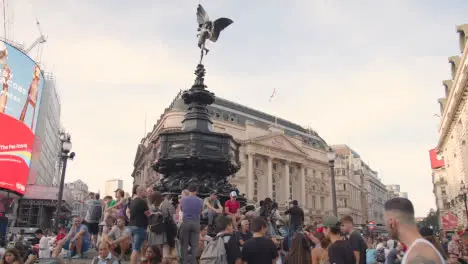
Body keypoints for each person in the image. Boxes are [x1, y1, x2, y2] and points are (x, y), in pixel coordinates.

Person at [383, 197, 444, 264]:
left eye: (385, 222)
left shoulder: (416, 255)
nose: (386, 228)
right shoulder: (420, 249)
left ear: (392, 223)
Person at [180, 184, 203, 264]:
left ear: (189, 190)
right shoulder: (200, 200)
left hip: (186, 222)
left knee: (185, 244)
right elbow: (200, 212)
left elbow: (182, 210)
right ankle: (193, 262)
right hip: (196, 222)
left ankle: (185, 262)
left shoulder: (183, 199)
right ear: (196, 191)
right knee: (194, 245)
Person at [128, 186, 149, 264]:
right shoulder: (142, 202)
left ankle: (142, 259)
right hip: (140, 227)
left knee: (138, 246)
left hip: (132, 227)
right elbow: (148, 214)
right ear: (140, 192)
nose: (146, 193)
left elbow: (129, 213)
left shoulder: (132, 201)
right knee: (136, 249)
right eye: (144, 191)